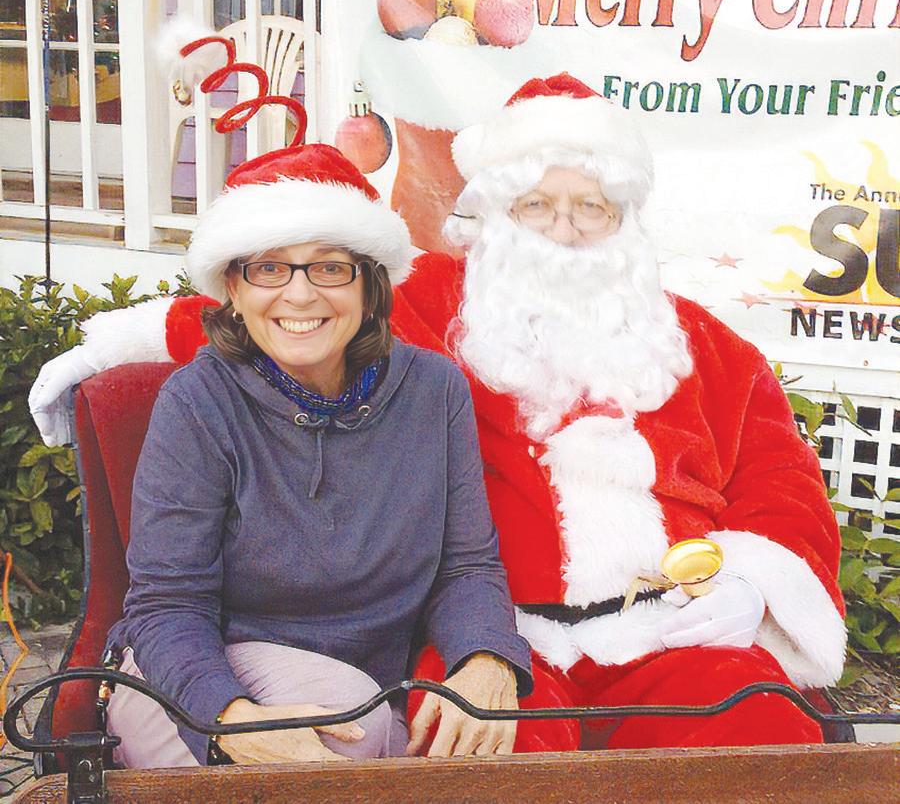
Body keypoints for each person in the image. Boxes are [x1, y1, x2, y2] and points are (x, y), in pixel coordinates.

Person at [31, 74, 845, 752]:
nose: (565, 231)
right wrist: (108, 344)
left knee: (761, 733)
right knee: (481, 753)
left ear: (625, 219)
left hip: (670, 630)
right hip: (514, 633)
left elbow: (782, 480)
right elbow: (287, 312)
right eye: (536, 206)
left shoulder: (709, 347)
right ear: (495, 214)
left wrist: (753, 580)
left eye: (591, 207)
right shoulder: (436, 309)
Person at [98, 142, 532, 768]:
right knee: (347, 723)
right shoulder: (197, 402)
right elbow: (168, 604)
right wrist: (228, 720)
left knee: (438, 736)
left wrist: (488, 658)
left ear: (370, 286)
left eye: (329, 268)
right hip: (195, 680)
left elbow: (465, 565)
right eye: (269, 268)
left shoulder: (434, 390)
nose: (299, 295)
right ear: (233, 289)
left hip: (369, 689)